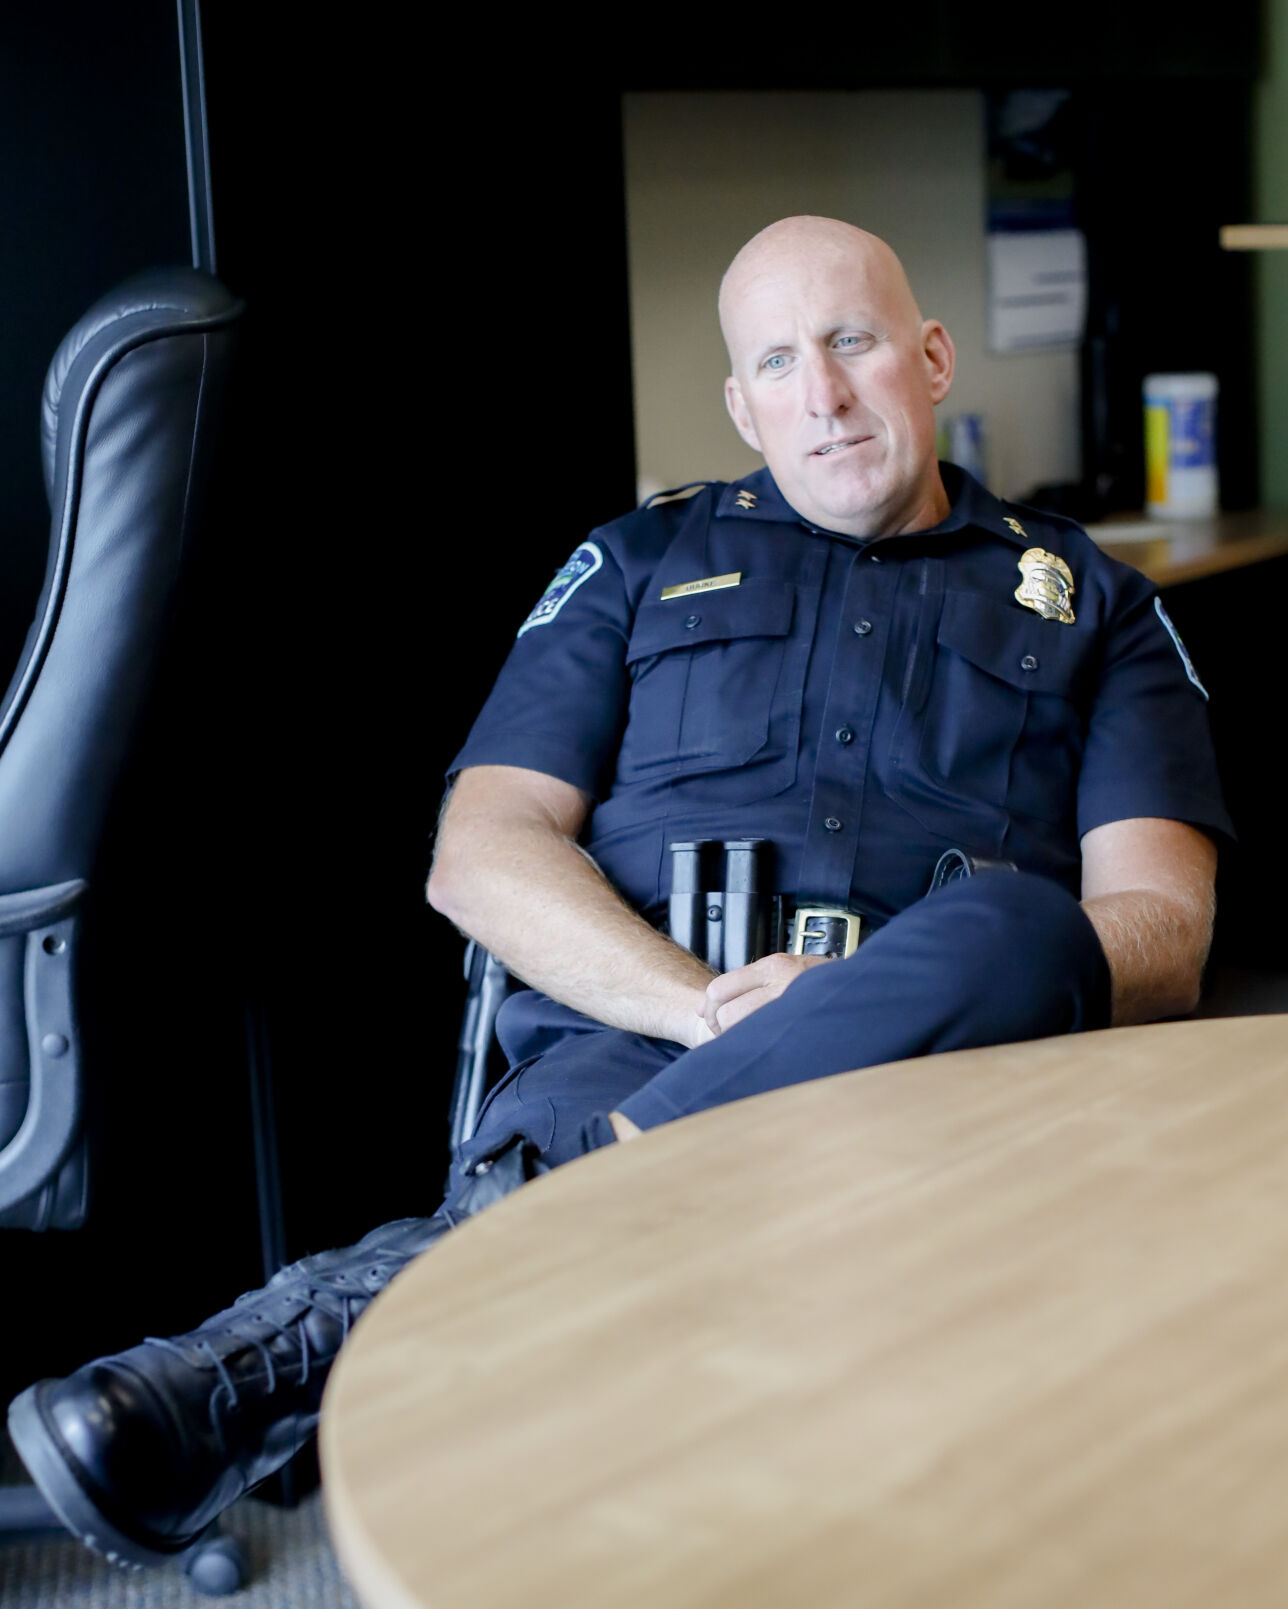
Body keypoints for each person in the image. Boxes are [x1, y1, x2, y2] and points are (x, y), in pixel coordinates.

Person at [8, 217, 1229, 1567]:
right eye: (778, 362)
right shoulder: (636, 565)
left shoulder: (1097, 604)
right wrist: (709, 1011)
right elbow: (482, 851)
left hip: (948, 1078)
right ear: (741, 406)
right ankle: (570, 1209)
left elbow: (1162, 932)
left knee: (1020, 925)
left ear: (930, 358)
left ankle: (333, 1321)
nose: (823, 395)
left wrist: (852, 1010)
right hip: (631, 1049)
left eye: (852, 342)